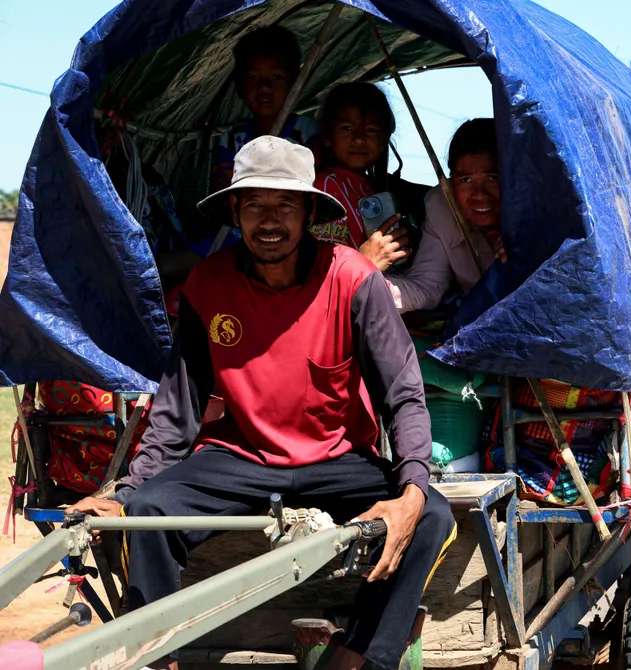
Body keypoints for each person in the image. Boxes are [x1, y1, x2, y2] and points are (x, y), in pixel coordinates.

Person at [67, 136, 454, 670]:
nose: (269, 220)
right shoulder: (210, 282)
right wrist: (128, 490)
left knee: (430, 513)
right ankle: (160, 658)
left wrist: (410, 488)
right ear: (235, 210)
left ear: (309, 212)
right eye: (254, 205)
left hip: (337, 459)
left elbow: (403, 395)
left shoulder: (353, 278)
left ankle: (362, 654)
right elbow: (177, 411)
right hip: (241, 457)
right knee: (148, 512)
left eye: (284, 205)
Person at [390, 118, 504, 313]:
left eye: (493, 178)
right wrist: (363, 284)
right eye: (466, 180)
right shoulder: (444, 207)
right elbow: (426, 286)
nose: (479, 194)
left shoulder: (544, 208)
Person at [310, 82, 411, 272]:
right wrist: (368, 264)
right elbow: (324, 267)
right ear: (327, 135)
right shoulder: (325, 187)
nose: (359, 138)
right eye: (347, 128)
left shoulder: (371, 190)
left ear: (384, 141)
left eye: (371, 130)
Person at [210, 26, 320, 195]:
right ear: (240, 87)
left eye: (277, 77)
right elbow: (224, 196)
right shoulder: (231, 141)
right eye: (253, 78)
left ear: (295, 85)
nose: (264, 87)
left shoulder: (309, 134)